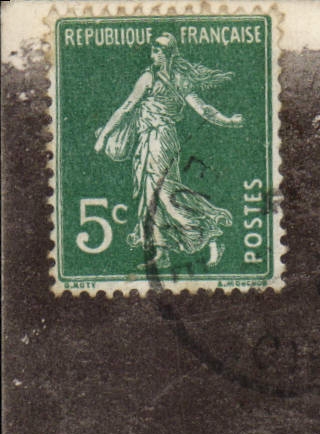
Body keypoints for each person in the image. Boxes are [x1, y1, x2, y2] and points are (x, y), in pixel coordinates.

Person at [93, 34, 244, 269]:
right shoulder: (154, 77)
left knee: (163, 192)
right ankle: (162, 252)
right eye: (152, 50)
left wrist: (228, 121)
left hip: (159, 139)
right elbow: (128, 108)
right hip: (149, 140)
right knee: (150, 196)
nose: (153, 54)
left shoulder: (160, 79)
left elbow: (202, 109)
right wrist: (229, 121)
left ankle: (211, 231)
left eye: (157, 50)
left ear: (168, 53)